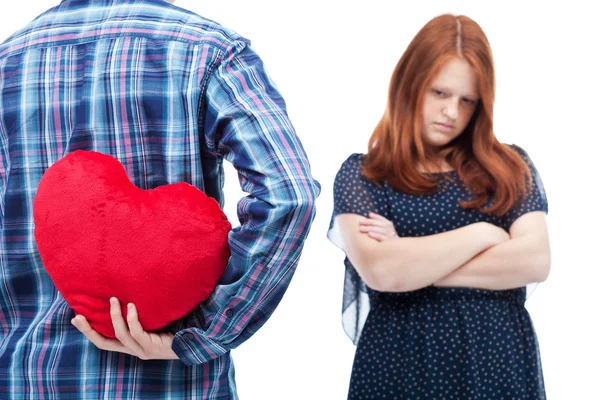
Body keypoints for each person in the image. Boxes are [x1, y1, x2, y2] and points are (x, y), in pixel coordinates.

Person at [0, 0, 320, 398]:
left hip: (24, 378)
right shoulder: (210, 52)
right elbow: (289, 196)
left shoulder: (7, 63)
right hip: (168, 388)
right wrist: (202, 333)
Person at [328, 13, 550, 399]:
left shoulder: (510, 167)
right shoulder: (364, 175)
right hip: (399, 364)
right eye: (440, 93)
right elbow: (383, 272)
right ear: (409, 85)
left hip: (497, 363)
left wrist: (409, 261)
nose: (452, 113)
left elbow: (534, 261)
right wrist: (483, 234)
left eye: (467, 101)